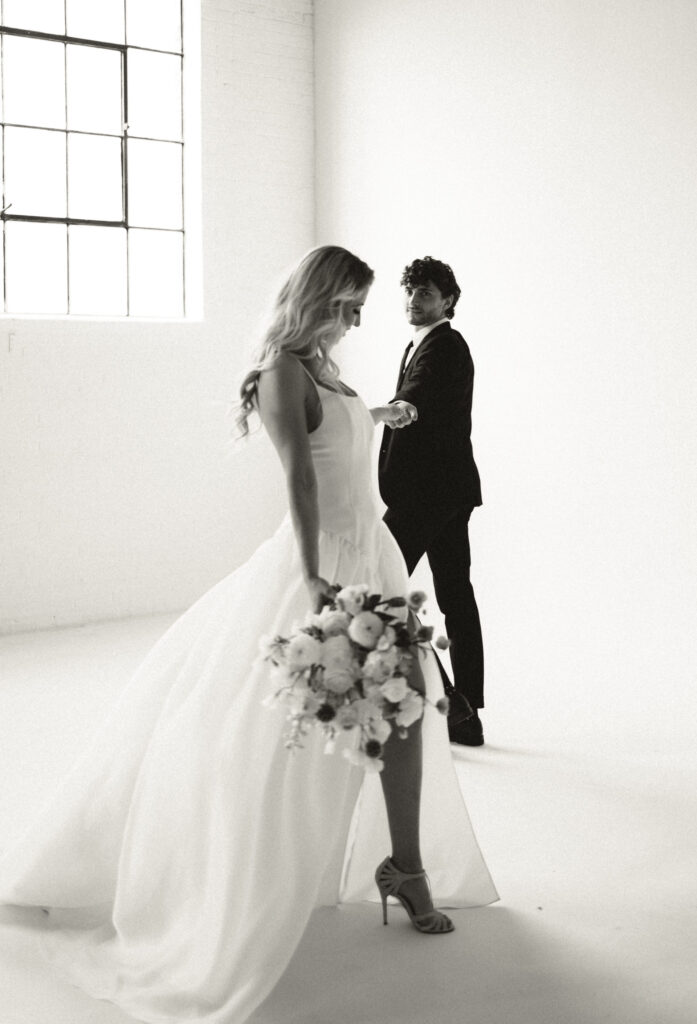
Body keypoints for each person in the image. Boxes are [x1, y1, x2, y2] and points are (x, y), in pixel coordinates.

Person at [0, 246, 497, 1024]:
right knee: (267, 727)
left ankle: (406, 867)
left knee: (407, 706)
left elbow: (334, 440)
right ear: (319, 295)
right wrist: (314, 579)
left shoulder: (326, 370)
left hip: (376, 552)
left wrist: (374, 415)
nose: (360, 318)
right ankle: (223, 876)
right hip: (326, 562)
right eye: (350, 304)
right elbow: (299, 475)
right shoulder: (280, 372)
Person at [379, 256, 486, 746]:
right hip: (443, 492)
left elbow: (418, 397)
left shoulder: (444, 345)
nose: (413, 301)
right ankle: (465, 713)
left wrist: (385, 410)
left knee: (378, 586)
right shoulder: (422, 343)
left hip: (428, 496)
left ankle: (455, 705)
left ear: (448, 301)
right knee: (455, 597)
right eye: (410, 292)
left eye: (424, 293)